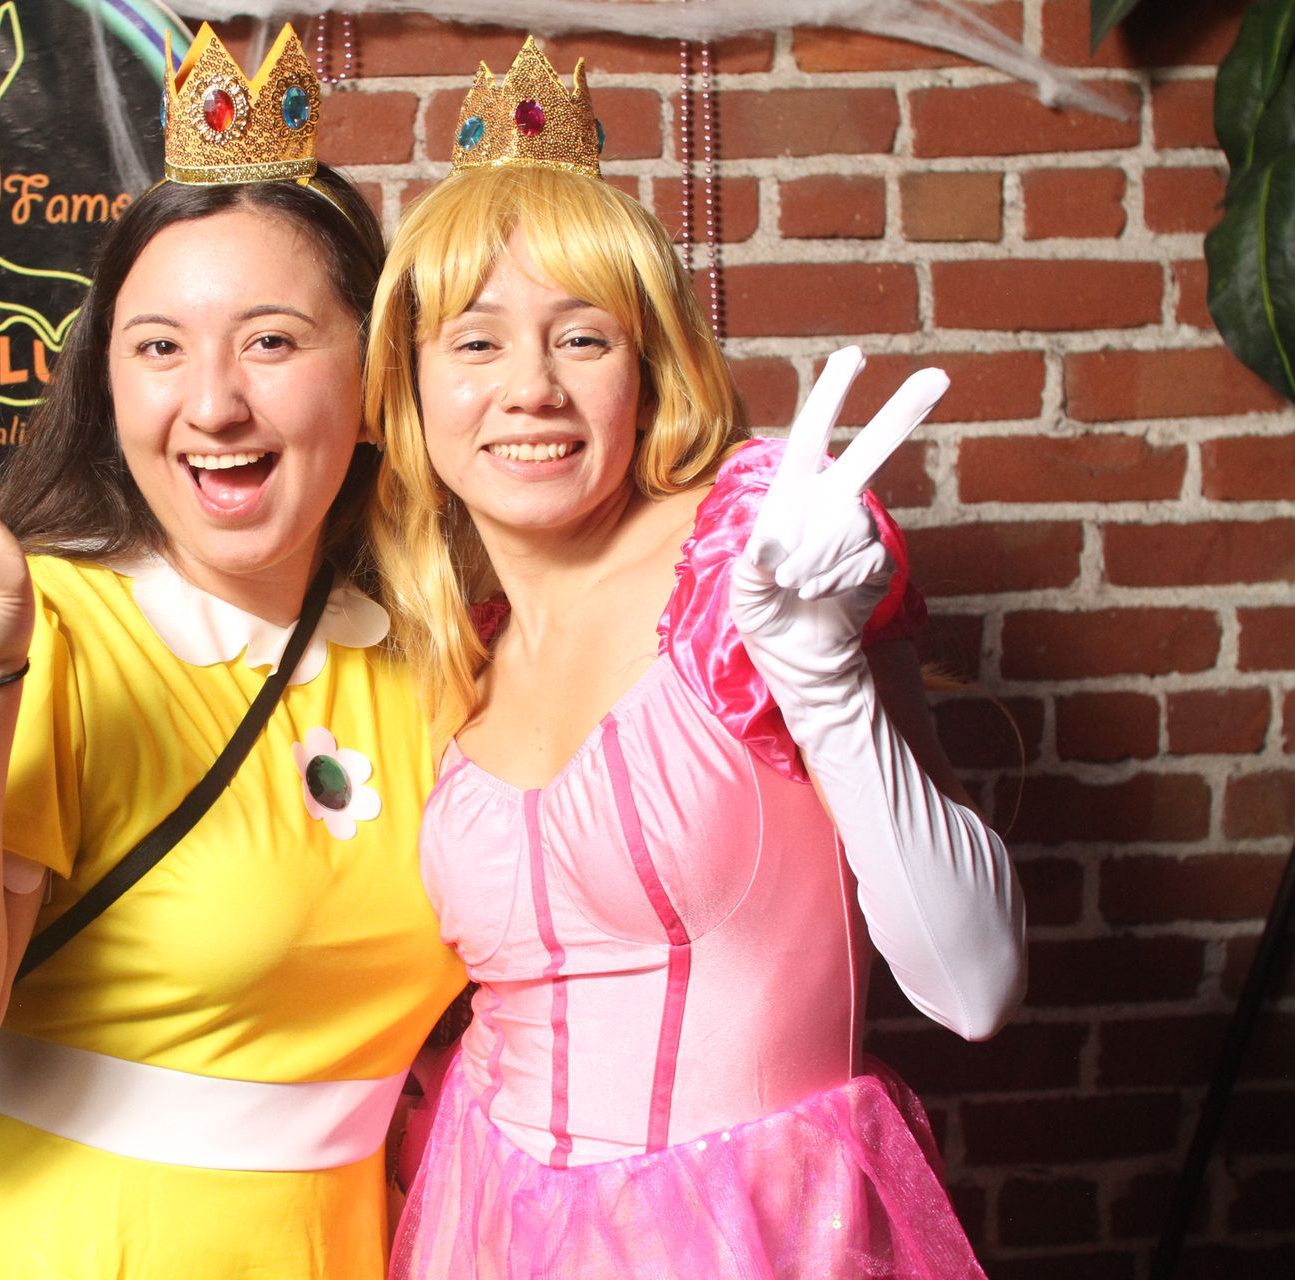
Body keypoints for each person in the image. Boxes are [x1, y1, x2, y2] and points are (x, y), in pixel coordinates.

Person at [0, 25, 463, 1277]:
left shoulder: (436, 665)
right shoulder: (31, 627)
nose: (212, 402)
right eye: (159, 346)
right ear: (110, 384)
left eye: (271, 340)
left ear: (373, 382)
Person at [368, 40, 1027, 1279]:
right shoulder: (465, 648)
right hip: (487, 1226)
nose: (530, 389)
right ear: (407, 389)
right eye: (474, 342)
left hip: (760, 1239)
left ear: (649, 364)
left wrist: (825, 678)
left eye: (583, 337)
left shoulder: (757, 556)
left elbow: (976, 983)